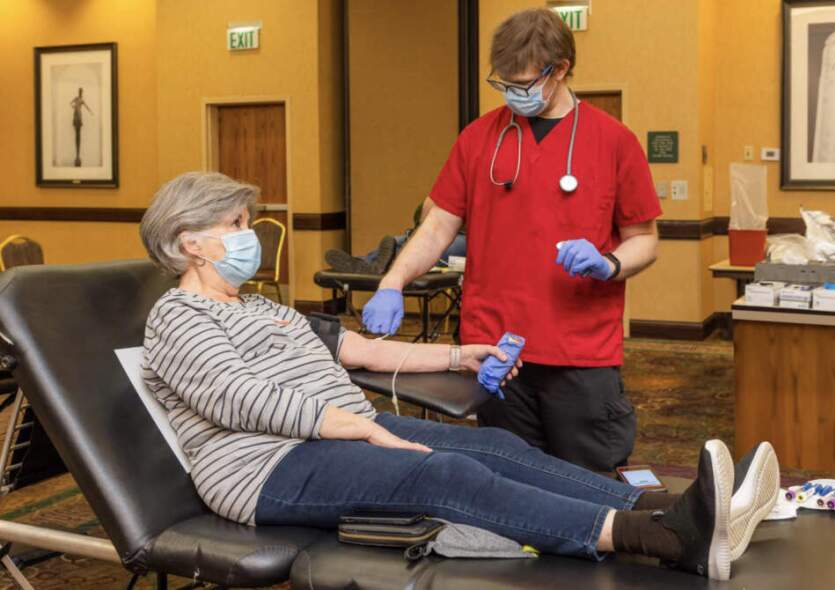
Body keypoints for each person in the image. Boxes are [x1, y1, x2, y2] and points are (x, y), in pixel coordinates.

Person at [138, 172, 778, 581]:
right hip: (263, 468)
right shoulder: (177, 316)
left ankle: (671, 506)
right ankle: (664, 539)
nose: (250, 235)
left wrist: (458, 355)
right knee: (445, 475)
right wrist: (361, 432)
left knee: (494, 445)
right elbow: (239, 398)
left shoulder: (257, 306)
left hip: (335, 434)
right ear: (191, 243)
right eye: (236, 225)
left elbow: (356, 350)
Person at [362, 8, 662, 472]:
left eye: (522, 84)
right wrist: (393, 280)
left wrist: (610, 264)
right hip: (496, 351)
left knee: (590, 478)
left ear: (559, 70)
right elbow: (438, 224)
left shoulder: (614, 141)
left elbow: (644, 237)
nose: (513, 95)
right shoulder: (479, 138)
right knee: (510, 479)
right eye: (504, 83)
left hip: (579, 352)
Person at [324, 197, 467, 275]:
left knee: (431, 245)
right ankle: (370, 264)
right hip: (449, 232)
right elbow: (420, 215)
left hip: (473, 245)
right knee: (404, 240)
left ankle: (371, 264)